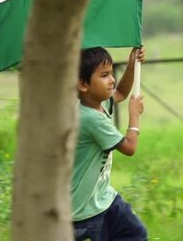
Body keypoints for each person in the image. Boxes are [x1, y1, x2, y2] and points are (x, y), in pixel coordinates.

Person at [72, 46, 147, 241]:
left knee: (135, 233)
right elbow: (130, 147)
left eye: (112, 73)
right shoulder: (90, 119)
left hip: (103, 198)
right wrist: (134, 115)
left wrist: (131, 66)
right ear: (83, 84)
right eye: (104, 75)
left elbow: (121, 92)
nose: (112, 79)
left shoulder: (97, 103)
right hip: (84, 211)